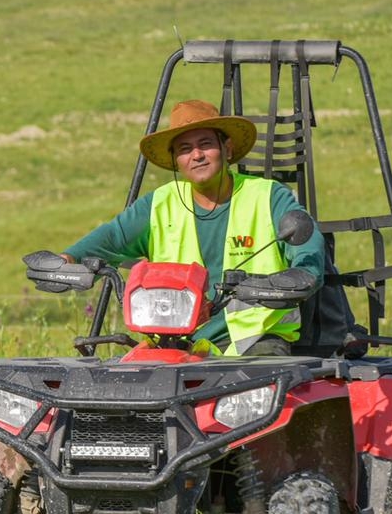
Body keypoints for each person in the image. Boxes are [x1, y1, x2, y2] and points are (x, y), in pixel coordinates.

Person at [62, 99, 325, 356]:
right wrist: (67, 260)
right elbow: (112, 237)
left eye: (205, 144)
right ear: (176, 160)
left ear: (228, 149)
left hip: (256, 343)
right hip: (173, 343)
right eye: (185, 149)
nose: (196, 155)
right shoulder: (159, 203)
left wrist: (301, 273)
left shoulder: (269, 196)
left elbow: (307, 246)